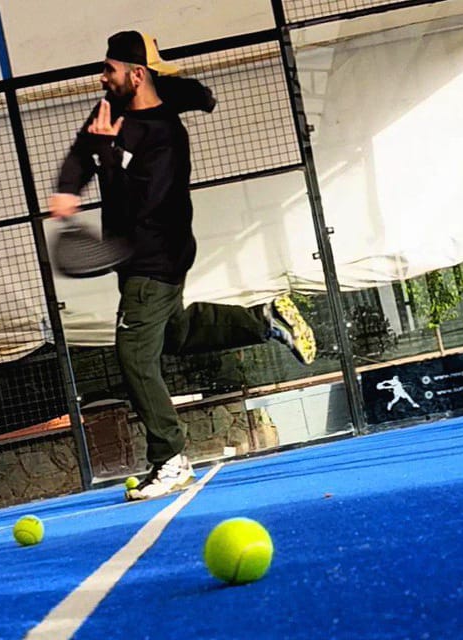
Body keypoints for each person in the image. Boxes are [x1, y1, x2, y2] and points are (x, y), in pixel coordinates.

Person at [49, 31, 316, 500]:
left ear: (136, 74)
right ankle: (264, 319)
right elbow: (82, 150)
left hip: (156, 255)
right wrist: (69, 188)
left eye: (109, 69)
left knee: (134, 356)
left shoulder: (166, 136)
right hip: (140, 259)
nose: (102, 77)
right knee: (176, 333)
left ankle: (170, 459)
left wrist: (108, 159)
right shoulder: (111, 109)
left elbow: (142, 206)